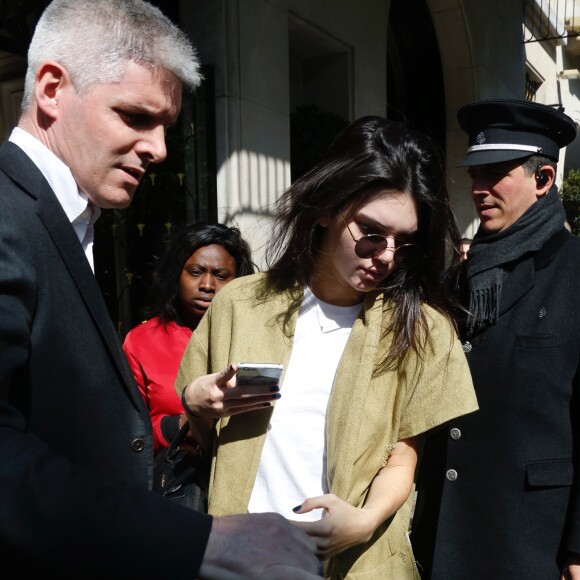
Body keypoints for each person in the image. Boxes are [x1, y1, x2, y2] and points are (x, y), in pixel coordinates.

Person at [0, 0, 320, 577]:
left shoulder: (65, 220)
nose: (159, 149)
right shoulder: (7, 216)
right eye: (135, 116)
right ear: (52, 88)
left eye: (166, 126)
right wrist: (198, 542)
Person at [175, 116, 479, 578]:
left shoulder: (421, 328)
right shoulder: (242, 304)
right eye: (372, 233)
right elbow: (202, 442)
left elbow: (404, 454)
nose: (388, 256)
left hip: (357, 562)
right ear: (325, 209)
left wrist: (364, 521)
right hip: (237, 557)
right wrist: (196, 405)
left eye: (405, 241)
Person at [411, 99, 580, 580]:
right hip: (443, 533)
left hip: (532, 541)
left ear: (543, 179)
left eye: (495, 174)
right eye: (474, 174)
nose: (478, 189)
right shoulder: (456, 277)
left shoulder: (573, 271)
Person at [123, 222, 255, 451]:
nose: (207, 285)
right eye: (195, 272)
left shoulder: (256, 335)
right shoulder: (141, 342)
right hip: (178, 475)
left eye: (221, 275)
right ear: (176, 274)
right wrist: (182, 425)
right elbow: (127, 429)